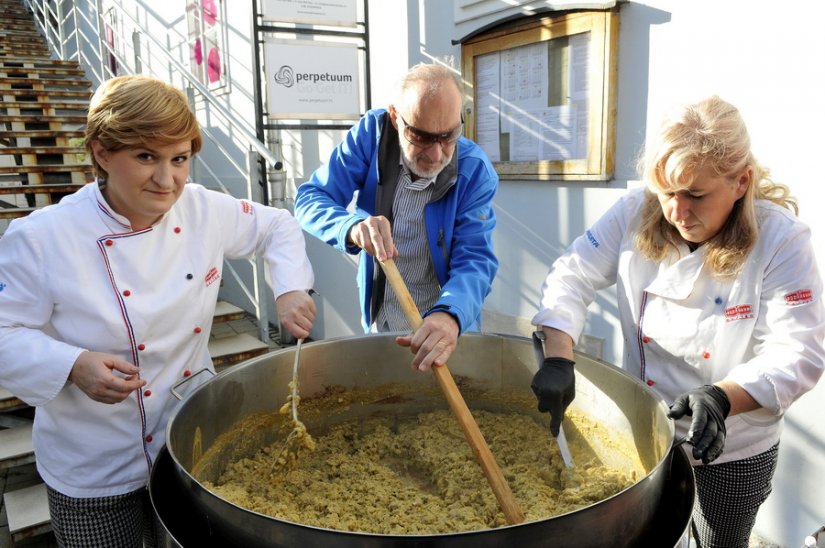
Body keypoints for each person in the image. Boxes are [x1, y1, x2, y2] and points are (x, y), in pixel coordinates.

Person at [0, 74, 316, 547]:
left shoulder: (203, 209)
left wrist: (290, 288)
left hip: (188, 438)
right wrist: (73, 365)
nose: (167, 180)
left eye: (180, 159)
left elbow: (278, 226)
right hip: (94, 464)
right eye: (146, 157)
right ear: (101, 152)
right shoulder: (43, 237)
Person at [531, 95, 825, 547]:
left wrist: (723, 397)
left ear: (742, 181)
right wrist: (558, 357)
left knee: (716, 542)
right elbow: (573, 273)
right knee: (644, 535)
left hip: (735, 444)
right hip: (648, 430)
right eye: (666, 192)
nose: (676, 211)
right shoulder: (635, 211)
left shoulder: (781, 240)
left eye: (695, 195)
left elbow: (799, 349)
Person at [294, 62, 498, 372]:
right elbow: (310, 199)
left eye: (449, 136)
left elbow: (475, 260)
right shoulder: (372, 136)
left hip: (445, 326)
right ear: (394, 117)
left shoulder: (474, 170)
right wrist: (351, 227)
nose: (436, 155)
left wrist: (450, 314)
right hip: (382, 320)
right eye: (421, 137)